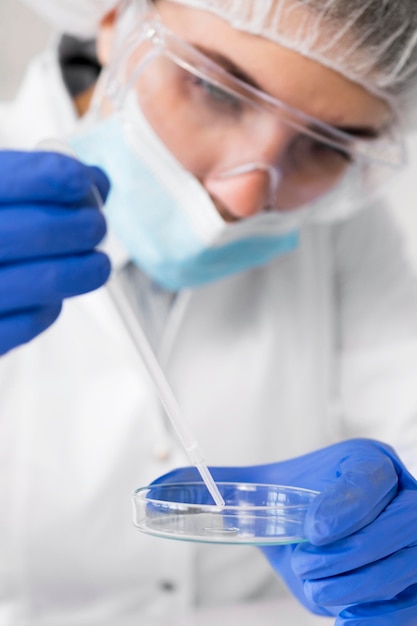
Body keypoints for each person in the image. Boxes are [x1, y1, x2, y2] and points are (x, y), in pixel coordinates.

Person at [1, 0, 417, 624]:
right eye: (213, 89)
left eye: (324, 147)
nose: (244, 197)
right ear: (115, 19)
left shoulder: (347, 228)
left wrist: (391, 533)